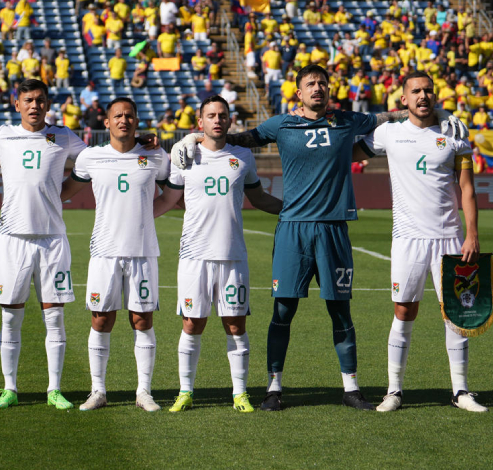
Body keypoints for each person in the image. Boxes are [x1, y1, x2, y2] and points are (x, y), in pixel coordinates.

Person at [171, 64, 467, 411]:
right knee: (283, 310)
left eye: (323, 83)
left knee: (340, 311)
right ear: (299, 92)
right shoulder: (281, 124)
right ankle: (273, 387)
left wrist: (442, 114)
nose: (317, 88)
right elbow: (238, 137)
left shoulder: (345, 121)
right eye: (310, 84)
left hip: (333, 228)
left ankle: (351, 388)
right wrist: (192, 138)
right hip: (293, 229)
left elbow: (392, 116)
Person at [356, 72, 485, 413]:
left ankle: (461, 391)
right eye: (416, 91)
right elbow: (350, 149)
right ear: (404, 99)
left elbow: (467, 189)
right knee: (403, 310)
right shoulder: (389, 134)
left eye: (428, 90)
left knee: (457, 316)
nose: (423, 96)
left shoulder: (455, 133)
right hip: (407, 240)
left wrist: (472, 234)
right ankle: (394, 391)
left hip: (450, 239)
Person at [153, 96, 283, 413]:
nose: (217, 120)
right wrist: (134, 216)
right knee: (191, 325)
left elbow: (260, 199)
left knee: (236, 326)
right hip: (193, 257)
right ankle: (186, 392)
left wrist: (295, 210)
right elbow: (168, 200)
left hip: (233, 256)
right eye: (210, 115)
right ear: (200, 122)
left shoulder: (242, 157)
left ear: (229, 121)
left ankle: (240, 394)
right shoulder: (185, 156)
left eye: (222, 115)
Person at [0, 79, 86, 411]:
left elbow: (96, 161)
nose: (34, 105)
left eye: (40, 100)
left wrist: (64, 192)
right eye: (28, 100)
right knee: (11, 317)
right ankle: (10, 388)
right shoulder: (0, 135)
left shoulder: (63, 136)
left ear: (48, 104)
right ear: (16, 103)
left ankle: (54, 389)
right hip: (12, 239)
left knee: (54, 318)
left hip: (52, 240)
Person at [61, 98, 169, 411]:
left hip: (142, 251)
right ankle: (98, 391)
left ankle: (144, 392)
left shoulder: (155, 155)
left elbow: (174, 194)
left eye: (129, 115)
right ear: (106, 122)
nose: (124, 120)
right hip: (104, 253)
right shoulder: (90, 157)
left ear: (137, 121)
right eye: (117, 116)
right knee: (101, 318)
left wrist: (149, 216)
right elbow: (63, 192)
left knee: (142, 319)